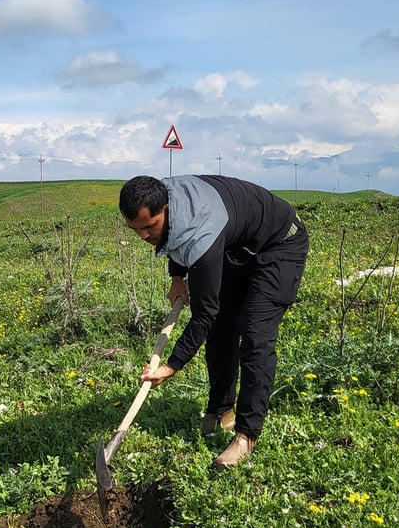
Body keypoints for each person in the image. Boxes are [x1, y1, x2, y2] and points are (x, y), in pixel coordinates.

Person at [119, 174, 308, 469]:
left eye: (148, 227)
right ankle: (221, 411)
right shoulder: (167, 195)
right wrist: (177, 277)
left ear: (165, 207)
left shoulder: (201, 230)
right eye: (134, 229)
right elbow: (175, 233)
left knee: (256, 334)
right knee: (221, 329)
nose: (143, 236)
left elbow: (203, 312)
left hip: (279, 245)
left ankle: (246, 435)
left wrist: (172, 366)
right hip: (237, 247)